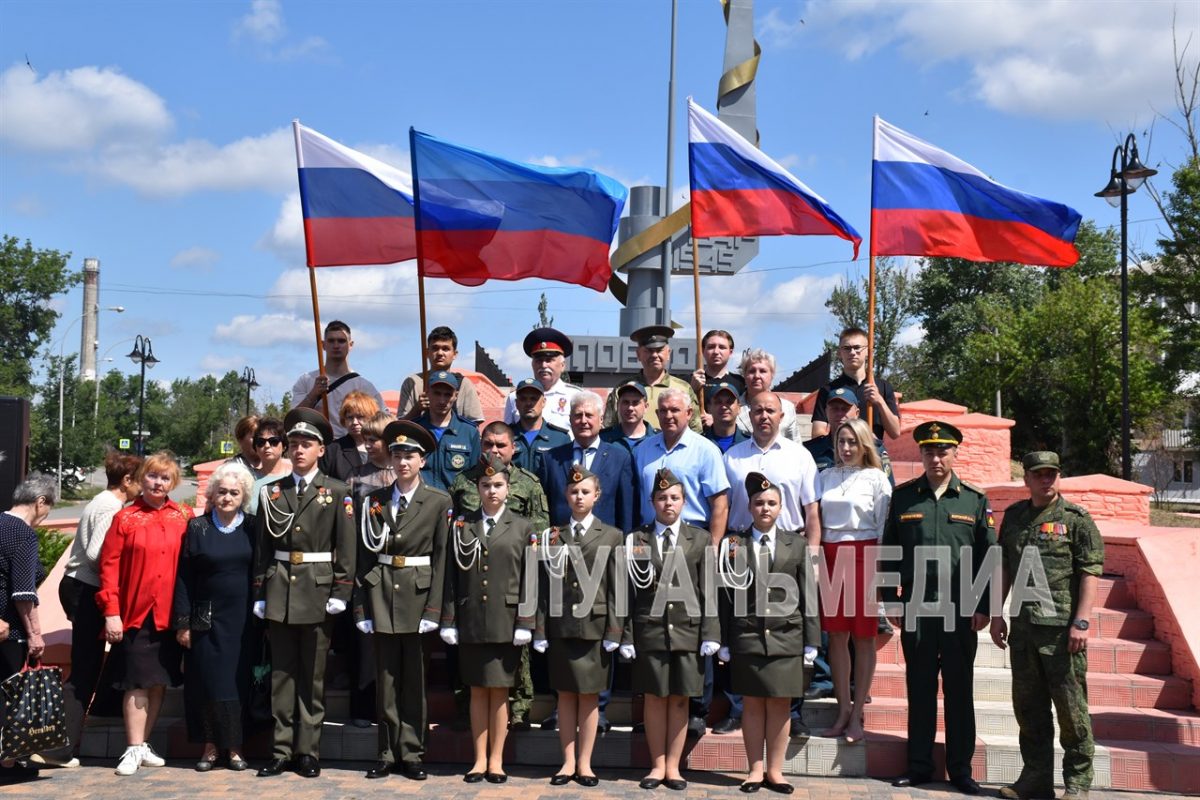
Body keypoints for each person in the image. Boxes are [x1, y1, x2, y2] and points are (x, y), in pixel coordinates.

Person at [881, 421, 996, 795]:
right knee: (920, 688)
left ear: (955, 453)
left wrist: (985, 605)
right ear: (921, 454)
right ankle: (919, 766)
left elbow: (989, 556)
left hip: (960, 609)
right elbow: (889, 550)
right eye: (929, 451)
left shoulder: (973, 500)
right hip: (916, 606)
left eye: (943, 451)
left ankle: (960, 769)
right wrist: (890, 598)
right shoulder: (903, 498)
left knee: (960, 691)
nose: (936, 458)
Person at [992, 452, 1103, 800]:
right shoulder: (1014, 517)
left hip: (1062, 634)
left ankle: (1077, 783)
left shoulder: (1076, 519)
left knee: (1071, 711)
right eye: (1039, 474)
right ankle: (1036, 779)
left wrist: (1081, 621)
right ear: (1026, 478)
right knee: (1029, 710)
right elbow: (1004, 566)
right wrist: (996, 613)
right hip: (1024, 632)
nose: (1046, 480)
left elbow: (1090, 572)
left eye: (1052, 474)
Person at [252, 408, 355, 779]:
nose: (298, 450)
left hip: (317, 588)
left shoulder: (337, 492)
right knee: (282, 675)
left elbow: (346, 547)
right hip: (280, 588)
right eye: (293, 443)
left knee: (312, 676)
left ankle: (308, 750)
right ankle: (281, 750)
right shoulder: (272, 492)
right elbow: (263, 548)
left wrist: (341, 589)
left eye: (306, 444)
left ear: (321, 450)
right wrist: (260, 591)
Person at [354, 420, 451, 781]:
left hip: (418, 596)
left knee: (414, 681)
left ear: (422, 460)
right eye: (397, 455)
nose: (402, 461)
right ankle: (386, 752)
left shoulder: (438, 501)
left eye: (409, 455)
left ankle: (411, 752)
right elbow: (364, 556)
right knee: (386, 680)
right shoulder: (374, 500)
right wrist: (362, 606)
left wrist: (434, 609)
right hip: (381, 594)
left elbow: (442, 559)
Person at [721, 392, 821, 737]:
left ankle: (792, 712)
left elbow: (812, 511)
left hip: (788, 550)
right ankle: (737, 708)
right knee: (744, 625)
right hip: (741, 547)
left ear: (782, 416)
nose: (764, 416)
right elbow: (722, 506)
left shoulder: (800, 456)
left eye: (771, 411)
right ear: (748, 415)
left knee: (786, 632)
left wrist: (812, 556)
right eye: (758, 410)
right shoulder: (732, 456)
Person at [717, 472, 820, 794]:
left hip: (786, 637)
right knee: (752, 704)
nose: (765, 508)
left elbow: (808, 594)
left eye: (772, 503)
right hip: (747, 636)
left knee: (780, 705)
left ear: (781, 507)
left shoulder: (797, 544)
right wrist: (722, 639)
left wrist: (812, 639)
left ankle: (775, 771)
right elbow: (725, 596)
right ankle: (754, 769)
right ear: (749, 507)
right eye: (759, 502)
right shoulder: (733, 544)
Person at [621, 468, 720, 791]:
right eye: (662, 497)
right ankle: (657, 764)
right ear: (652, 502)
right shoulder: (637, 539)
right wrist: (626, 635)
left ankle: (674, 767)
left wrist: (711, 633)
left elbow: (708, 590)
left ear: (684, 501)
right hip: (650, 631)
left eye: (674, 497)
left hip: (687, 632)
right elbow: (629, 592)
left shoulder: (700, 539)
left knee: (679, 700)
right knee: (654, 698)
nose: (668, 503)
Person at [440, 455, 537, 784]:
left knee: (499, 692)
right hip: (471, 620)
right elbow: (451, 576)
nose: (491, 491)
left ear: (508, 488)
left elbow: (530, 579)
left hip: (506, 621)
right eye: (485, 485)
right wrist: (449, 619)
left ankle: (496, 759)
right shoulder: (462, 525)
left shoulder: (523, 527)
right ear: (477, 489)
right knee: (478, 691)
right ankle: (478, 759)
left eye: (497, 485)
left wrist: (526, 621)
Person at [447, 421, 548, 730]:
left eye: (501, 445)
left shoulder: (528, 483)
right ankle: (466, 713)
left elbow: (539, 532)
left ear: (513, 448)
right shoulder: (463, 481)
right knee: (469, 660)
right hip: (472, 584)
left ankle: (518, 711)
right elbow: (452, 532)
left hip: (510, 580)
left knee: (516, 658)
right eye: (488, 444)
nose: (494, 450)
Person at [97, 452, 192, 776]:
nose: (158, 483)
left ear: (173, 483)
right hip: (136, 612)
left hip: (171, 613)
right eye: (152, 476)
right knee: (136, 680)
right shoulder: (125, 518)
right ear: (142, 478)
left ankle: (143, 744)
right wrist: (111, 612)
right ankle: (133, 745)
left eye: (165, 478)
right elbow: (108, 567)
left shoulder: (184, 516)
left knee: (158, 681)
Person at [532, 465, 623, 787]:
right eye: (574, 492)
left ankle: (585, 763)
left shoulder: (612, 535)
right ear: (565, 495)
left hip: (595, 628)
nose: (579, 497)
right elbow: (543, 586)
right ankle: (567, 762)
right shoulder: (552, 536)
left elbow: (617, 588)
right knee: (565, 697)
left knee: (589, 697)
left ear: (597, 495)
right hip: (561, 627)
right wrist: (540, 629)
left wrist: (615, 630)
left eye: (585, 491)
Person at [57, 452, 141, 766]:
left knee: (98, 660)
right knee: (85, 667)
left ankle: (103, 709)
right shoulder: (110, 506)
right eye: (140, 480)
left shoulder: (100, 500)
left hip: (78, 586)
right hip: (87, 588)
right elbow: (97, 554)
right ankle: (60, 748)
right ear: (128, 481)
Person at [173, 461, 257, 772]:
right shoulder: (198, 527)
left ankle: (235, 746)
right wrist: (183, 622)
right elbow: (184, 577)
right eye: (222, 491)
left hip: (243, 619)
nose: (227, 497)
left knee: (236, 681)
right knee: (207, 681)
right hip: (205, 618)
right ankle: (209, 746)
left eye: (234, 492)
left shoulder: (253, 527)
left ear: (243, 495)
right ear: (212, 494)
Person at [817, 418, 891, 743]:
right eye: (841, 441)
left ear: (864, 445)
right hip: (830, 555)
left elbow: (883, 526)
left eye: (852, 442)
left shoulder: (877, 478)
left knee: (863, 636)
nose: (846, 448)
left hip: (865, 554)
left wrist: (882, 571)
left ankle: (858, 711)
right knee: (836, 635)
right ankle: (843, 708)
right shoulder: (824, 477)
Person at [0, 476, 56, 782]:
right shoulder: (22, 533)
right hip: (10, 631)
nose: (46, 515)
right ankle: (6, 765)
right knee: (9, 697)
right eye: (49, 508)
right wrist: (35, 634)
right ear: (40, 502)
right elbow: (23, 593)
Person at [634, 388, 730, 539]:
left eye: (675, 410)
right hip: (649, 537)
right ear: (657, 414)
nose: (668, 416)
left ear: (689, 413)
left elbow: (720, 505)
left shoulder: (706, 450)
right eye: (663, 411)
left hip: (692, 539)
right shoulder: (642, 450)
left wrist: (713, 546)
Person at [539, 391, 636, 534]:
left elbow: (626, 511)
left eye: (589, 415)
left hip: (603, 542)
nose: (583, 421)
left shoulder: (620, 459)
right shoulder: (551, 459)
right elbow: (542, 510)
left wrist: (625, 542)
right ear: (570, 419)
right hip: (561, 541)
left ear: (601, 420)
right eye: (578, 415)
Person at [291, 320, 386, 439]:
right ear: (323, 345)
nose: (336, 346)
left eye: (341, 341)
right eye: (331, 341)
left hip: (351, 447)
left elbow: (383, 420)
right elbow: (294, 419)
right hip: (317, 444)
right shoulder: (306, 380)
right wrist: (313, 394)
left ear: (350, 345)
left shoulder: (364, 386)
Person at [810, 326, 901, 444]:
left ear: (868, 351)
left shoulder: (883, 387)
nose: (852, 352)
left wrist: (879, 401)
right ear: (839, 353)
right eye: (847, 348)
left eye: (857, 347)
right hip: (841, 453)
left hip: (872, 453)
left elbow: (895, 432)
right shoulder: (828, 390)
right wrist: (844, 442)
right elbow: (817, 432)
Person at [604, 325, 702, 433]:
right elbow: (608, 429)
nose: (654, 355)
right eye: (649, 351)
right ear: (638, 354)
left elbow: (695, 430)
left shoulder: (684, 389)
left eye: (659, 350)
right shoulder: (622, 389)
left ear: (668, 353)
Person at [398, 325, 484, 423]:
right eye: (435, 348)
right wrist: (417, 409)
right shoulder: (412, 383)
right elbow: (401, 425)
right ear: (427, 352)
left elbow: (474, 423)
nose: (440, 353)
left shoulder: (464, 384)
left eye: (445, 349)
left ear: (455, 354)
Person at [502, 327, 581, 432]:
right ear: (532, 365)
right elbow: (507, 434)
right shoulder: (514, 397)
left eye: (549, 360)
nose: (543, 365)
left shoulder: (575, 396)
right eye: (539, 361)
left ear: (562, 365)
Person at [414, 370, 481, 492]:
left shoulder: (469, 432)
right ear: (427, 393)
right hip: (421, 501)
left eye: (447, 395)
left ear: (456, 395)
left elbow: (475, 477)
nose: (442, 400)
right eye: (437, 393)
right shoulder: (415, 429)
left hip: (455, 502)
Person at [734, 349, 803, 441]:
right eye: (752, 371)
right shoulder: (733, 407)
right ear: (744, 375)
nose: (757, 376)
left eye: (762, 371)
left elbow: (795, 444)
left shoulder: (787, 408)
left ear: (772, 375)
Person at [509, 379, 571, 475]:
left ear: (543, 402)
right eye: (523, 399)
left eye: (534, 399)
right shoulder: (506, 436)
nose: (528, 403)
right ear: (516, 403)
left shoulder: (560, 438)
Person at [321, 391, 381, 481]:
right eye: (350, 417)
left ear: (372, 418)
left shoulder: (382, 447)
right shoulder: (332, 450)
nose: (354, 422)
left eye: (360, 417)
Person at [803, 386, 860, 473]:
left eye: (845, 409)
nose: (839, 413)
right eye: (835, 408)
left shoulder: (871, 449)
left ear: (857, 413)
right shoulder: (810, 451)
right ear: (826, 412)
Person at [599, 379, 657, 455]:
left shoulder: (657, 439)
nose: (630, 408)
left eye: (635, 403)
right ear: (618, 405)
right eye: (625, 402)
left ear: (646, 407)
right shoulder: (604, 438)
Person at [347, 411, 396, 498]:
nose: (367, 446)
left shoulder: (404, 472)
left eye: (372, 440)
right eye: (365, 440)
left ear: (388, 440)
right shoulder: (357, 474)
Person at [247, 417, 291, 514]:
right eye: (261, 442)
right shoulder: (246, 479)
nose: (267, 446)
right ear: (255, 448)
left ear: (284, 446)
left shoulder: (294, 478)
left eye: (273, 441)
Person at [690, 328, 746, 399]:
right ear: (703, 351)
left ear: (730, 352)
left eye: (722, 347)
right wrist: (691, 390)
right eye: (711, 347)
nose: (716, 352)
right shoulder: (690, 381)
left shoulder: (740, 382)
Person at [702, 381, 749, 453]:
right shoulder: (699, 443)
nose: (724, 407)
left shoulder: (749, 444)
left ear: (739, 408)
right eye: (718, 402)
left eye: (729, 402)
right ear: (709, 408)